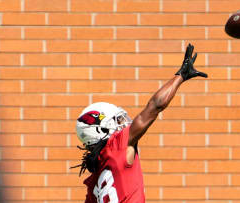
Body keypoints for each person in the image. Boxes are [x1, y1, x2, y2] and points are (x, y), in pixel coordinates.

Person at [72, 43, 208, 203]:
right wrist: (181, 75)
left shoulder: (94, 180)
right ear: (101, 130)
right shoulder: (117, 146)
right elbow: (154, 107)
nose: (124, 123)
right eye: (117, 120)